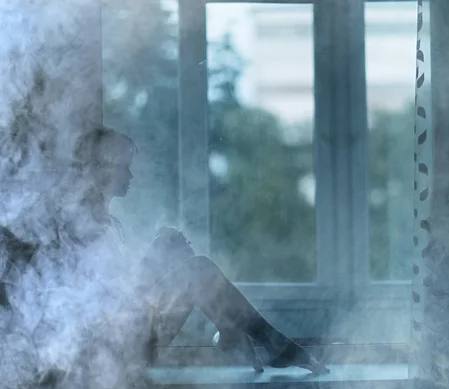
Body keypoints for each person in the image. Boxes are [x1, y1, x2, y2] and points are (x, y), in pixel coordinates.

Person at [65, 126, 330, 376]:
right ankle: (268, 343)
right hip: (109, 352)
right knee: (196, 269)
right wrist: (157, 256)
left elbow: (129, 294)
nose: (131, 176)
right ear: (99, 169)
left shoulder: (112, 225)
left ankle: (241, 333)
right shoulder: (81, 226)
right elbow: (112, 305)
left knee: (194, 267)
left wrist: (161, 256)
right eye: (124, 168)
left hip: (126, 338)